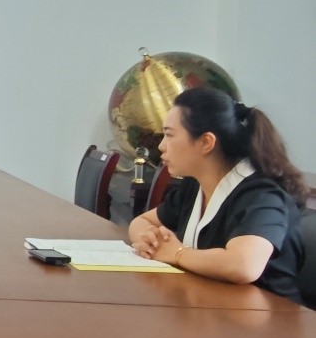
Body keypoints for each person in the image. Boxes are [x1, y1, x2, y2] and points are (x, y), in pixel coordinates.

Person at [128, 88, 308, 300]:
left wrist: (177, 253)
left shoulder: (261, 195)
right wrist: (150, 242)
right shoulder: (195, 185)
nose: (161, 146)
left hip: (267, 315)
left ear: (206, 142)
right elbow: (142, 221)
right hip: (209, 306)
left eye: (169, 135)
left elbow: (245, 266)